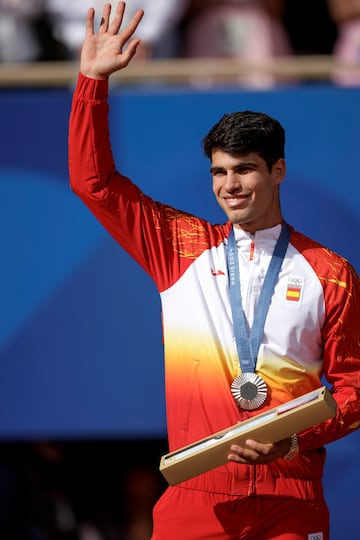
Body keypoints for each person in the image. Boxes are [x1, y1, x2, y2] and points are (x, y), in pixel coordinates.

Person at [68, 3, 360, 539]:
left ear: (278, 171)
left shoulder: (331, 272)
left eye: (245, 169)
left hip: (290, 497)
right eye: (219, 172)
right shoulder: (178, 246)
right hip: (198, 495)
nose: (230, 184)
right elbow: (95, 183)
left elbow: (354, 387)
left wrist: (293, 439)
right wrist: (91, 82)